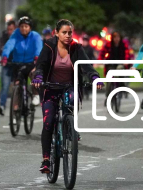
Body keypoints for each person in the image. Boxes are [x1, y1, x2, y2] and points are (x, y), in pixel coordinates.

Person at [32, 19, 103, 173]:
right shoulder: (49, 47)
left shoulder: (76, 48)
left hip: (69, 87)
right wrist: (38, 77)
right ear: (56, 33)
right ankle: (46, 160)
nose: (67, 35)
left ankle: (70, 127)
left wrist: (94, 77)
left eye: (70, 32)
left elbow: (86, 65)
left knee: (70, 103)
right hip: (50, 88)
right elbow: (41, 66)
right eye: (64, 32)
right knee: (48, 121)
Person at [0, 16, 43, 113]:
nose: (24, 28)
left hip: (31, 63)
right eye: (22, 26)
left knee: (34, 74)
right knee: (17, 85)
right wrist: (5, 56)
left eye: (26, 26)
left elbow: (38, 47)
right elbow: (9, 45)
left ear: (30, 28)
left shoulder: (35, 36)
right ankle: (15, 111)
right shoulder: (15, 35)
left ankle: (36, 95)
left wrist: (37, 56)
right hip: (17, 63)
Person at [98, 31, 130, 105]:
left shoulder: (124, 45)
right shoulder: (108, 44)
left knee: (119, 69)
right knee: (109, 80)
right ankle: (108, 96)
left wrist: (126, 61)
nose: (116, 39)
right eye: (115, 37)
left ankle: (121, 83)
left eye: (118, 37)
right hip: (110, 64)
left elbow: (127, 54)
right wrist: (100, 60)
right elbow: (102, 53)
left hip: (120, 64)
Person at [0, 20, 16, 116]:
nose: (9, 32)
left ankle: (18, 106)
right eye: (8, 29)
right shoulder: (4, 37)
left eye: (11, 29)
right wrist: (2, 51)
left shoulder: (19, 37)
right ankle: (2, 105)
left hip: (17, 64)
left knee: (18, 85)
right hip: (7, 64)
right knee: (5, 86)